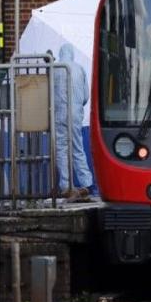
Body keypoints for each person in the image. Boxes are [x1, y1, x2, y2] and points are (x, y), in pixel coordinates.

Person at [54, 43, 93, 200]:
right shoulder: (80, 69)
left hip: (58, 114)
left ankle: (65, 185)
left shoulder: (54, 68)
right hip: (75, 114)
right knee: (77, 147)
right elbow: (85, 96)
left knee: (61, 149)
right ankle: (86, 182)